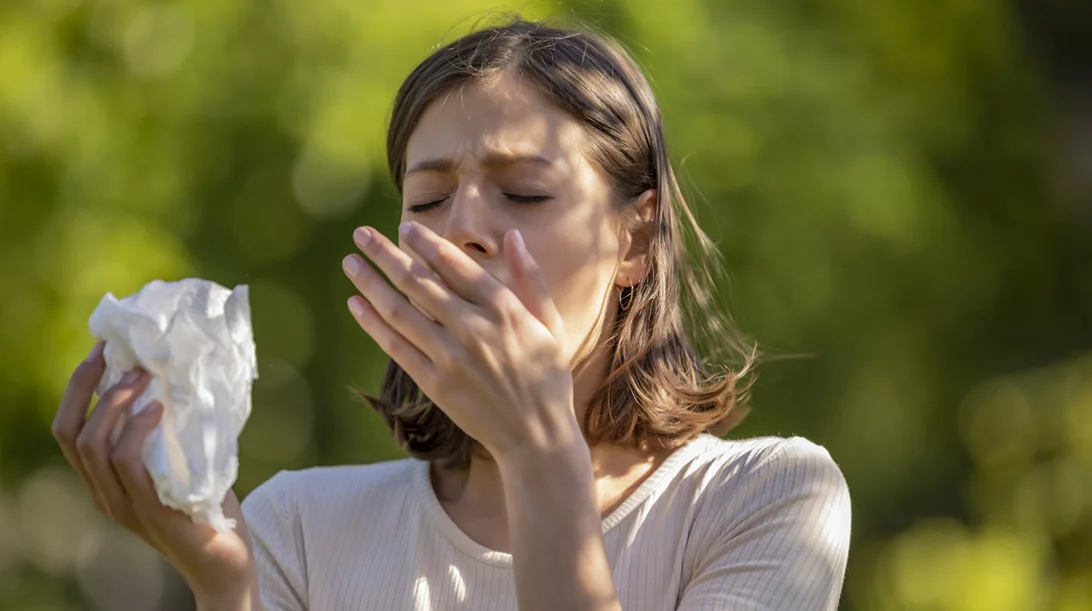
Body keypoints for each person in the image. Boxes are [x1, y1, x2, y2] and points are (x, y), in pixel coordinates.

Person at [52, 17, 851, 611]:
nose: (460, 228)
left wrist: (540, 449)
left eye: (525, 192)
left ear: (634, 238)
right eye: (428, 198)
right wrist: (226, 588)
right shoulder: (296, 526)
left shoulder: (765, 499)